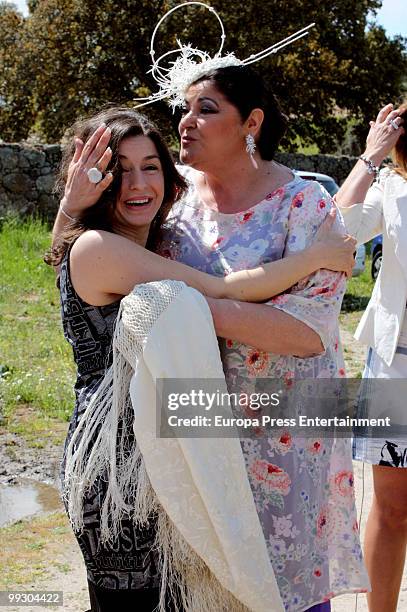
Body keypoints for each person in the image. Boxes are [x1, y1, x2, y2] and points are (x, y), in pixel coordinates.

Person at [50, 105, 356, 612]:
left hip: (165, 468)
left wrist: (67, 208)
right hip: (119, 477)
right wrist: (312, 258)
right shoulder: (100, 248)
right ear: (95, 180)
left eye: (150, 166)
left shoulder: (146, 242)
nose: (136, 182)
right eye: (118, 170)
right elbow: (218, 287)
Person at [335, 101, 407, 612]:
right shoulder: (393, 190)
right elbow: (340, 226)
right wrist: (371, 156)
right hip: (397, 365)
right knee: (392, 508)